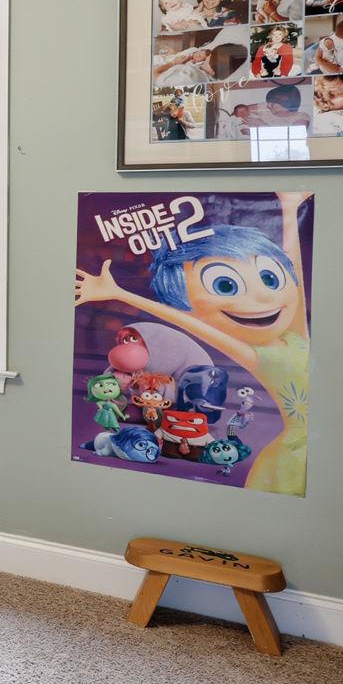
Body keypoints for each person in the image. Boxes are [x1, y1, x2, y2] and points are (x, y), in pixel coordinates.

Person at [74, 193, 310, 494]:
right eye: (225, 285)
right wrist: (119, 294)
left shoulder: (296, 336)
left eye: (270, 278)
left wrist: (289, 210)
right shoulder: (257, 356)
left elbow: (295, 276)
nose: (264, 298)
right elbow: (189, 323)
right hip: (292, 461)